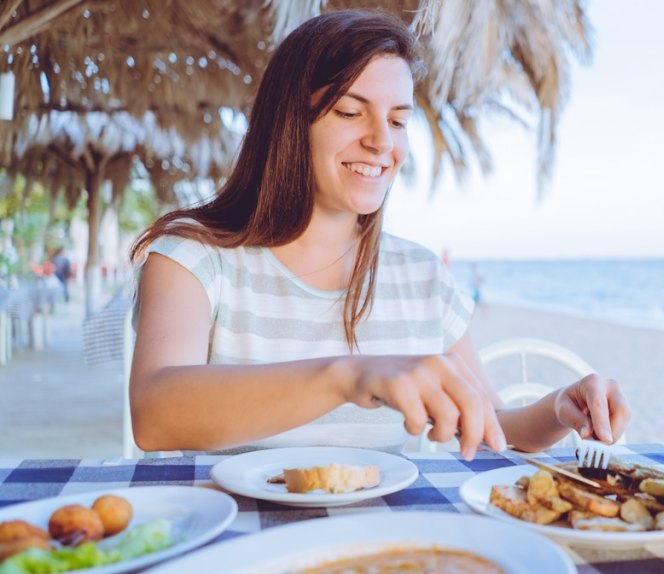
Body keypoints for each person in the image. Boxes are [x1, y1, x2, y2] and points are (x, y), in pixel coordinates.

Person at [128, 9, 630, 459]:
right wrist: (350, 376)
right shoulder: (193, 254)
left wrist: (559, 409)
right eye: (350, 112)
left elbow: (493, 427)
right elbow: (155, 414)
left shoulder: (421, 276)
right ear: (288, 121)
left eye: (397, 120)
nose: (380, 141)